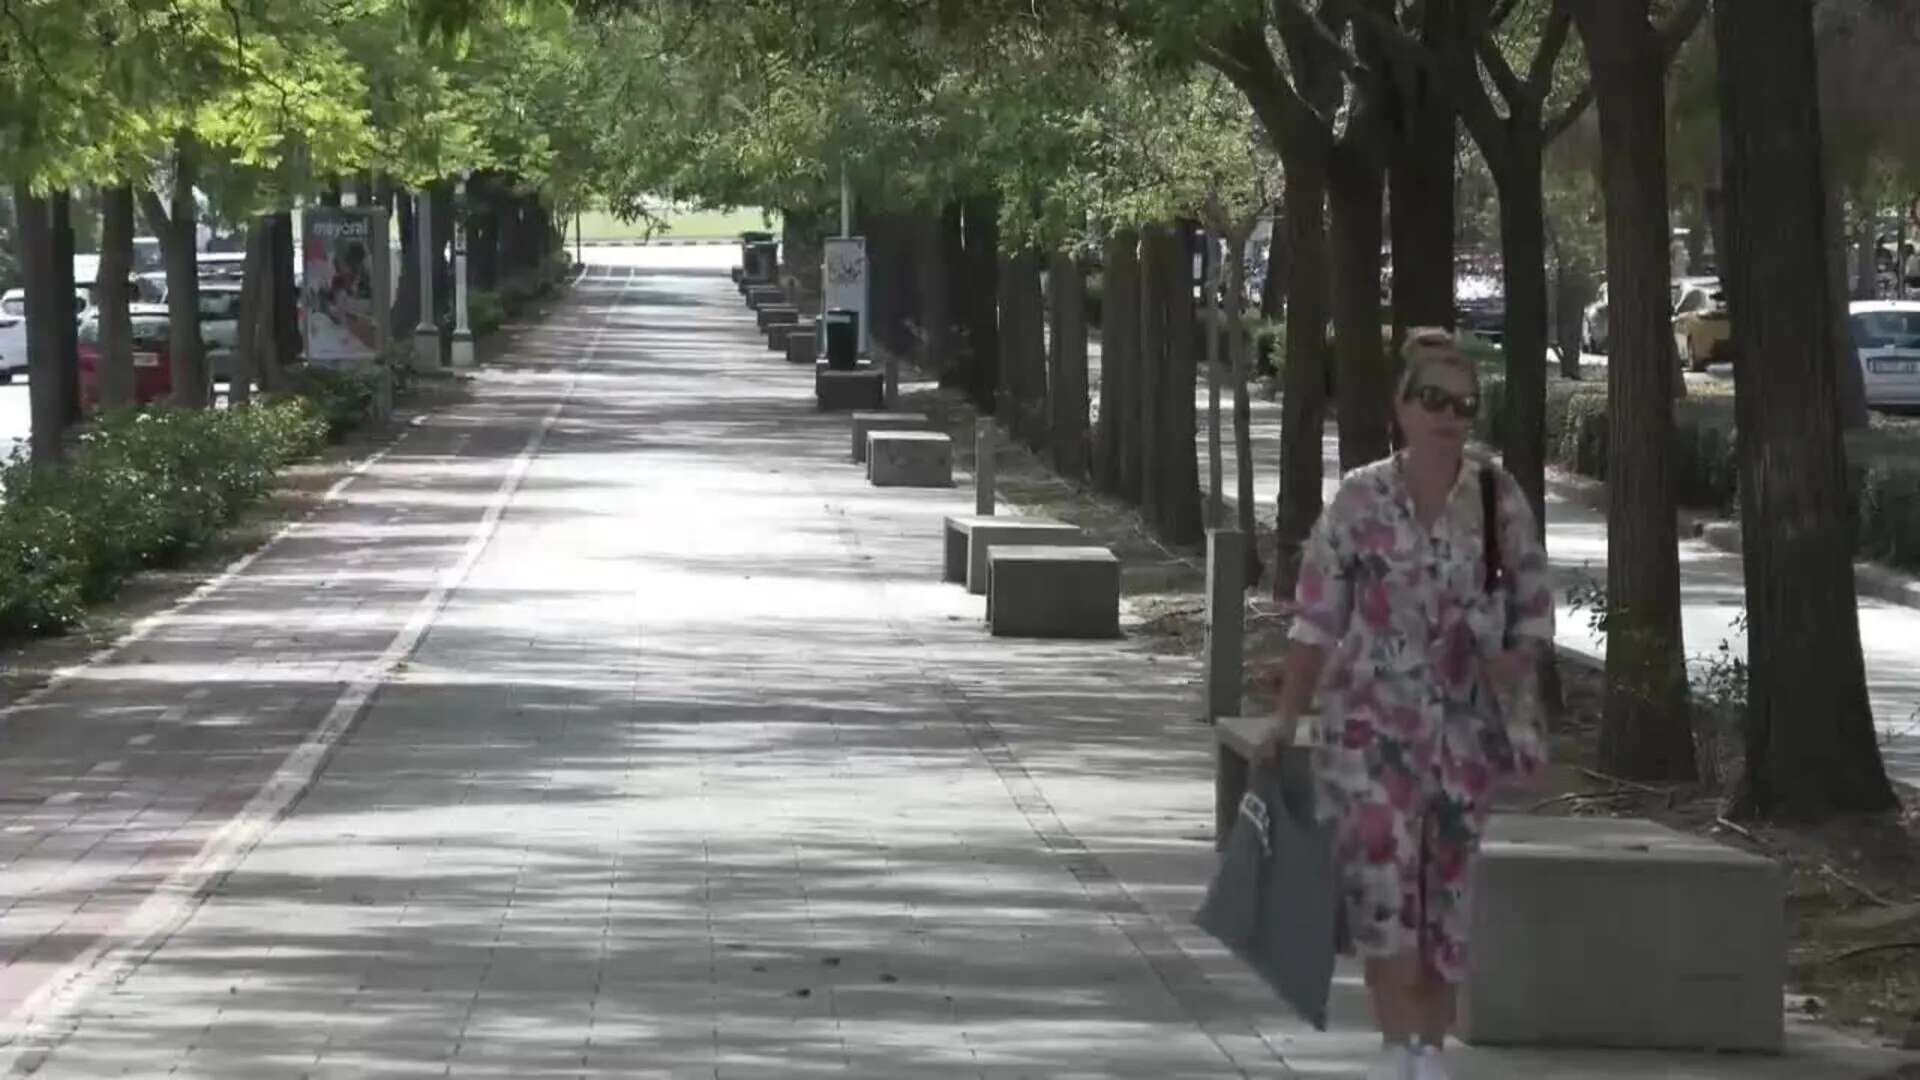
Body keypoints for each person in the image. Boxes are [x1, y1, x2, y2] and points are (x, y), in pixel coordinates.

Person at [1261, 328, 1555, 1080]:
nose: (1449, 415)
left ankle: (1431, 1048)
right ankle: (1402, 1054)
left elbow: (1533, 609)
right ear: (1400, 406)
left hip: (1465, 737)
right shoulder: (1360, 498)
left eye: (1464, 404)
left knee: (1446, 898)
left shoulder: (1496, 497)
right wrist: (1287, 716)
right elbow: (1316, 615)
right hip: (1368, 733)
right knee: (1383, 896)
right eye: (1432, 399)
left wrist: (1510, 660)